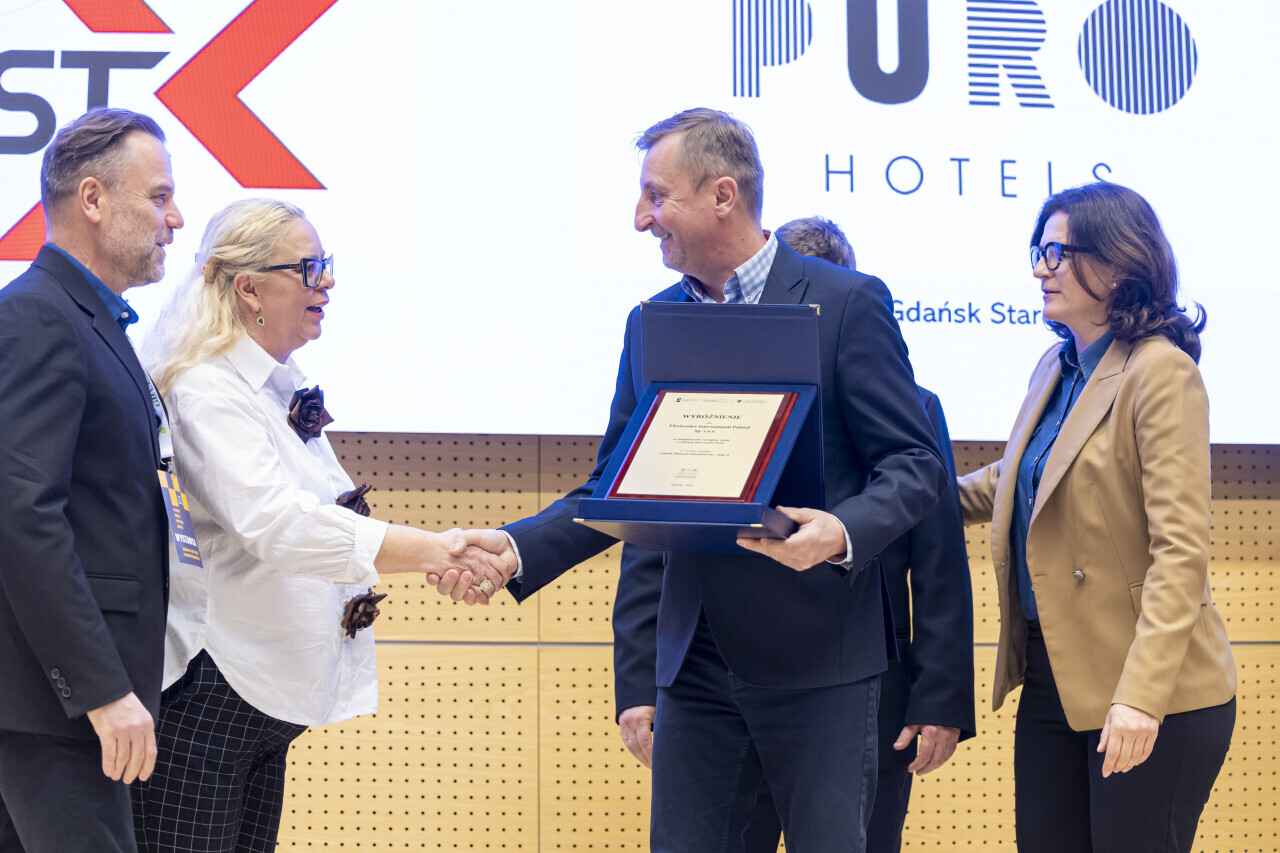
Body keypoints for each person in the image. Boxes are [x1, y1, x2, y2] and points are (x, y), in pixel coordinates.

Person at [444, 109, 947, 852]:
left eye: (656, 195)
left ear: (722, 195)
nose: (640, 218)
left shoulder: (846, 301)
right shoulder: (650, 321)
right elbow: (617, 485)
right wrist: (516, 547)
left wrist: (842, 531)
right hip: (696, 668)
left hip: (821, 663)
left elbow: (916, 463)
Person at [130, 199, 508, 853]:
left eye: (324, 263)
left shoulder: (272, 387)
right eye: (308, 268)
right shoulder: (205, 388)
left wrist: (434, 551)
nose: (327, 282)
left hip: (258, 706)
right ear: (249, 288)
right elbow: (279, 524)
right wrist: (435, 550)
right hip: (211, 699)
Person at [610, 215, 975, 853]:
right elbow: (653, 534)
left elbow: (939, 557)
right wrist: (640, 678)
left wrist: (940, 695)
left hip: (860, 669)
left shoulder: (913, 404)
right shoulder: (692, 370)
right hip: (710, 668)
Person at [957, 182, 1236, 852]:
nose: (1040, 269)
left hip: (1153, 687)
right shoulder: (1055, 366)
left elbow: (1181, 552)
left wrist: (1141, 695)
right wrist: (889, 502)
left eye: (1058, 253)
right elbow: (1013, 479)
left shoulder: (1160, 372)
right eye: (1039, 251)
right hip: (1055, 673)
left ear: (1119, 264)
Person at [0, 107, 183, 853]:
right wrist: (102, 690)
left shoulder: (93, 322)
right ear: (94, 199)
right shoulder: (40, 318)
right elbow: (22, 513)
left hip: (55, 705)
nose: (175, 219)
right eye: (159, 197)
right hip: (54, 709)